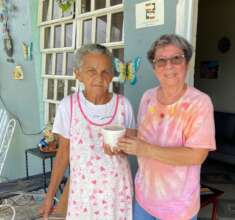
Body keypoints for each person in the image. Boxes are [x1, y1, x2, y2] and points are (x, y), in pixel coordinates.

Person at [117, 34, 216, 220]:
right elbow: (145, 135)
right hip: (143, 199)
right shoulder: (148, 97)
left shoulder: (200, 103)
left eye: (176, 58)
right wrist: (124, 135)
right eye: (161, 61)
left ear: (186, 63)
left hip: (178, 207)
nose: (168, 66)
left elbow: (197, 155)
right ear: (155, 68)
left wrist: (145, 149)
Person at [39, 44, 135, 219]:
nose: (99, 77)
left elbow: (134, 144)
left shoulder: (123, 105)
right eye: (91, 71)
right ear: (78, 74)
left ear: (113, 75)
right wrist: (50, 196)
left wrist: (124, 147)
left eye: (106, 71)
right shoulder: (69, 105)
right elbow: (63, 154)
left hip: (117, 191)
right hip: (83, 193)